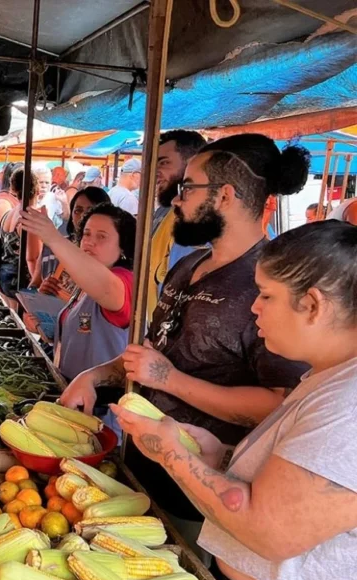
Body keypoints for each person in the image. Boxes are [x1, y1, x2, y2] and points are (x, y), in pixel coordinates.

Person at [60, 133, 312, 549]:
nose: (176, 199)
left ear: (225, 195)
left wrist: (171, 381)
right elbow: (149, 354)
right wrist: (94, 376)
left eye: (188, 187)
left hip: (200, 492)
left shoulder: (271, 286)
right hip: (139, 464)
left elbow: (279, 404)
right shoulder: (190, 264)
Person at [112, 221, 357, 580]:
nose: (253, 308)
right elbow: (284, 486)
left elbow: (269, 531)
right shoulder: (329, 378)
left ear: (312, 305)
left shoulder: (347, 406)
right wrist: (218, 455)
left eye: (266, 296)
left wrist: (172, 454)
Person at [21, 202, 136, 381]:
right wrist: (40, 325)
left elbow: (107, 290)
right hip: (72, 392)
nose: (90, 242)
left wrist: (54, 239)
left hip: (101, 402)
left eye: (102, 237)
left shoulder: (124, 281)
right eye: (87, 234)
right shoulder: (83, 284)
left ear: (123, 247)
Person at [148, 130, 207, 317]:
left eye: (164, 163)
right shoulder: (164, 212)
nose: (155, 172)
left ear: (192, 164)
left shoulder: (196, 220)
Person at [30, 186, 110, 293]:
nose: (83, 217)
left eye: (91, 211)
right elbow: (33, 287)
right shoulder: (51, 248)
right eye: (78, 211)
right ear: (71, 215)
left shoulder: (109, 254)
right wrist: (41, 291)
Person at [0, 166, 34, 302]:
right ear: (35, 189)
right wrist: (37, 283)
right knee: (20, 320)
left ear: (13, 188)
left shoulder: (9, 213)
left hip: (4, 274)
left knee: (10, 317)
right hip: (19, 278)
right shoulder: (28, 216)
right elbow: (33, 258)